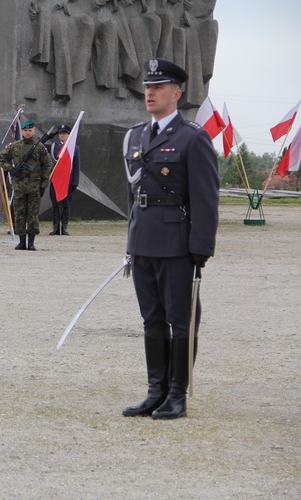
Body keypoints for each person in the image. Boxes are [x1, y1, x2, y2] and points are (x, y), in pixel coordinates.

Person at [122, 58, 219, 420]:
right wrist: (130, 244)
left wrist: (200, 249)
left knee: (181, 322)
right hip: (143, 241)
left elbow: (206, 199)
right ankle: (155, 391)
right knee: (151, 321)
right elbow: (133, 196)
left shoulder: (193, 138)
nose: (150, 92)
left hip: (177, 245)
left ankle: (177, 394)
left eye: (158, 87)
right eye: (148, 87)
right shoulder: (135, 136)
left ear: (176, 94)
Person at [0, 120, 52, 250]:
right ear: (22, 132)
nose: (27, 133)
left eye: (30, 131)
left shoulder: (39, 147)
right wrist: (10, 168)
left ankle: (31, 242)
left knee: (32, 215)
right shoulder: (14, 146)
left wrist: (43, 184)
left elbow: (47, 166)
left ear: (34, 131)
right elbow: (0, 159)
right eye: (25, 131)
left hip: (34, 186)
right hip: (19, 186)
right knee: (19, 213)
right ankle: (21, 241)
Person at [46, 124, 80, 235]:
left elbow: (76, 167)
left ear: (69, 135)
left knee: (66, 204)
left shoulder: (74, 148)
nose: (62, 136)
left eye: (64, 133)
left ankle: (64, 228)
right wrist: (49, 136)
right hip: (55, 179)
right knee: (55, 204)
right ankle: (55, 227)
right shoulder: (53, 146)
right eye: (60, 133)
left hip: (67, 180)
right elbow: (40, 145)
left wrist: (75, 182)